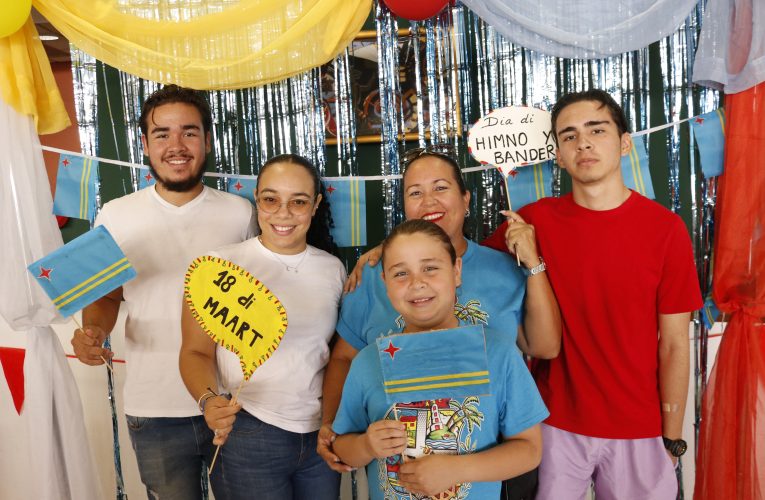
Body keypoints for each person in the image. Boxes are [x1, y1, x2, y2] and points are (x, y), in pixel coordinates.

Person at [482, 89, 703, 499]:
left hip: (639, 428)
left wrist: (671, 438)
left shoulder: (665, 230)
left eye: (596, 130)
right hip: (552, 423)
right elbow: (464, 266)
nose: (582, 142)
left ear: (623, 143)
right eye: (568, 136)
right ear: (560, 156)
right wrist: (382, 254)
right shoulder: (534, 222)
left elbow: (674, 344)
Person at [320, 147, 560, 499]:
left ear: (465, 199)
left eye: (441, 187)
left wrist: (533, 262)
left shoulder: (503, 279)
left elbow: (544, 348)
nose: (417, 284)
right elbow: (343, 361)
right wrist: (336, 430)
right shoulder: (371, 281)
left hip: (487, 463)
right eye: (415, 192)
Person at [70, 85, 257, 498]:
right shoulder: (116, 215)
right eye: (162, 134)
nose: (177, 145)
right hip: (154, 409)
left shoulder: (240, 214)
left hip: (233, 404)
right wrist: (93, 334)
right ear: (145, 144)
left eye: (189, 132)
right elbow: (105, 295)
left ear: (207, 140)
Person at [179, 154, 346, 500]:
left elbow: (332, 355)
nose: (283, 213)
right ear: (257, 200)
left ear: (315, 205)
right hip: (248, 430)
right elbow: (195, 351)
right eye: (271, 199)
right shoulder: (218, 266)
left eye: (298, 202)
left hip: (319, 433)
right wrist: (209, 400)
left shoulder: (333, 269)